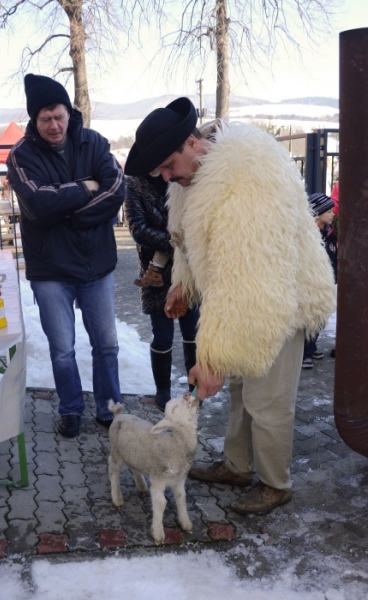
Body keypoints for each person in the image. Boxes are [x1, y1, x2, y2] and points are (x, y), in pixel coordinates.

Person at [124, 97, 336, 515]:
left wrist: (211, 359)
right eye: (159, 171)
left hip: (281, 303)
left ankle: (275, 484)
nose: (166, 176)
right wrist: (182, 285)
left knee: (267, 402)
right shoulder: (195, 176)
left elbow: (248, 280)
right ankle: (238, 467)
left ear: (191, 142)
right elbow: (190, 241)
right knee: (243, 393)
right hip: (244, 303)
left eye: (168, 165)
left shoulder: (246, 179)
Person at [7, 74, 125, 438]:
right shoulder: (21, 155)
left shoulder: (94, 142)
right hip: (51, 270)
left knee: (107, 344)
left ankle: (109, 407)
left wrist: (70, 212)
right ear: (35, 120)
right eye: (45, 119)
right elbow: (38, 205)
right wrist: (85, 187)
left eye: (58, 116)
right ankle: (71, 408)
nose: (54, 125)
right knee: (62, 349)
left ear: (68, 112)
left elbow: (116, 190)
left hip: (96, 264)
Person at [125, 173, 199, 411]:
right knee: (163, 336)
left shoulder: (184, 176)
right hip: (155, 274)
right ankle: (163, 392)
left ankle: (195, 392)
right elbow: (138, 230)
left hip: (190, 270)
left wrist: (182, 242)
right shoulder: (135, 185)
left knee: (193, 333)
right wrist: (177, 241)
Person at [302, 193, 338, 369]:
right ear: (317, 213)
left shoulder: (330, 234)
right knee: (312, 317)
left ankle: (312, 346)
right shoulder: (310, 235)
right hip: (312, 283)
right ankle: (305, 354)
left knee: (321, 317)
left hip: (327, 281)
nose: (333, 214)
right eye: (329, 211)